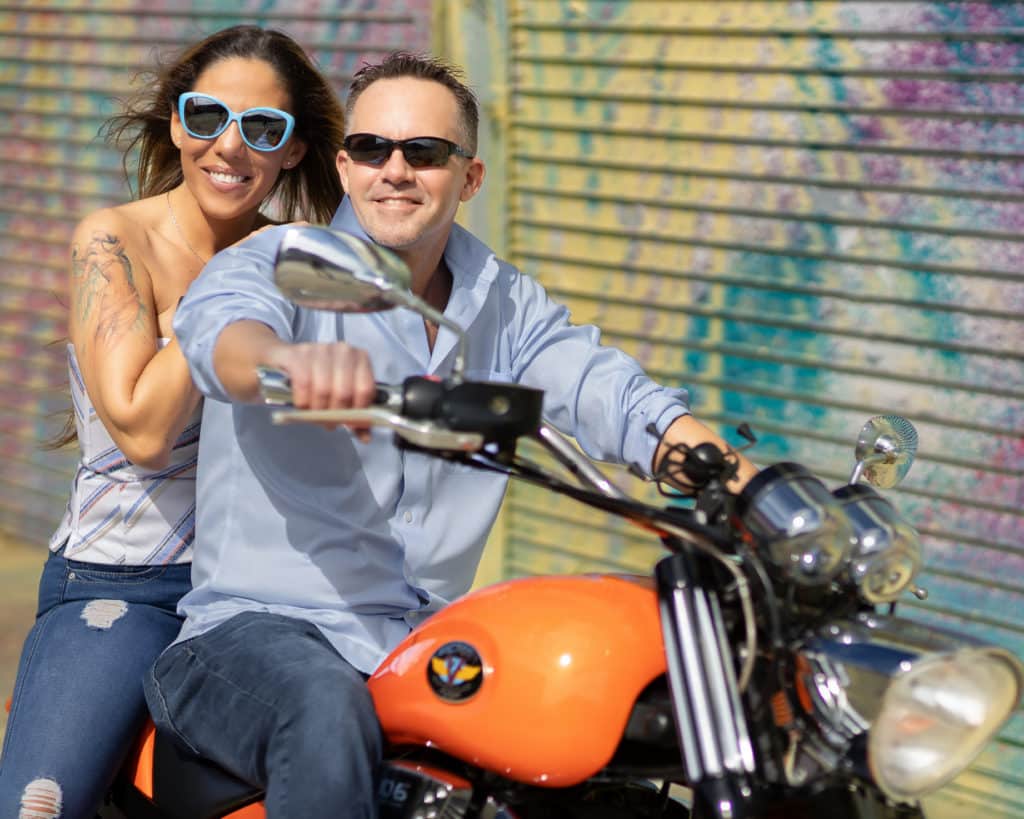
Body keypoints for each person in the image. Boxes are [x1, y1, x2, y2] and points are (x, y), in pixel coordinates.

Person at [144, 52, 759, 818]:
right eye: (372, 149)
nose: (394, 170)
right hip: (250, 635)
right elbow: (222, 338)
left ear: (469, 177)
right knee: (327, 710)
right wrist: (288, 364)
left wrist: (749, 486)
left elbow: (615, 394)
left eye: (424, 153)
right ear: (344, 165)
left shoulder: (502, 301)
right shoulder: (283, 262)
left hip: (418, 643)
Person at [0, 24, 345, 819]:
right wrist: (228, 288)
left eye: (263, 127)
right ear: (176, 123)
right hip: (122, 581)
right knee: (42, 807)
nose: (230, 146)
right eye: (206, 116)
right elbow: (143, 431)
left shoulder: (302, 257)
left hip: (259, 588)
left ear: (293, 150)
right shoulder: (114, 240)